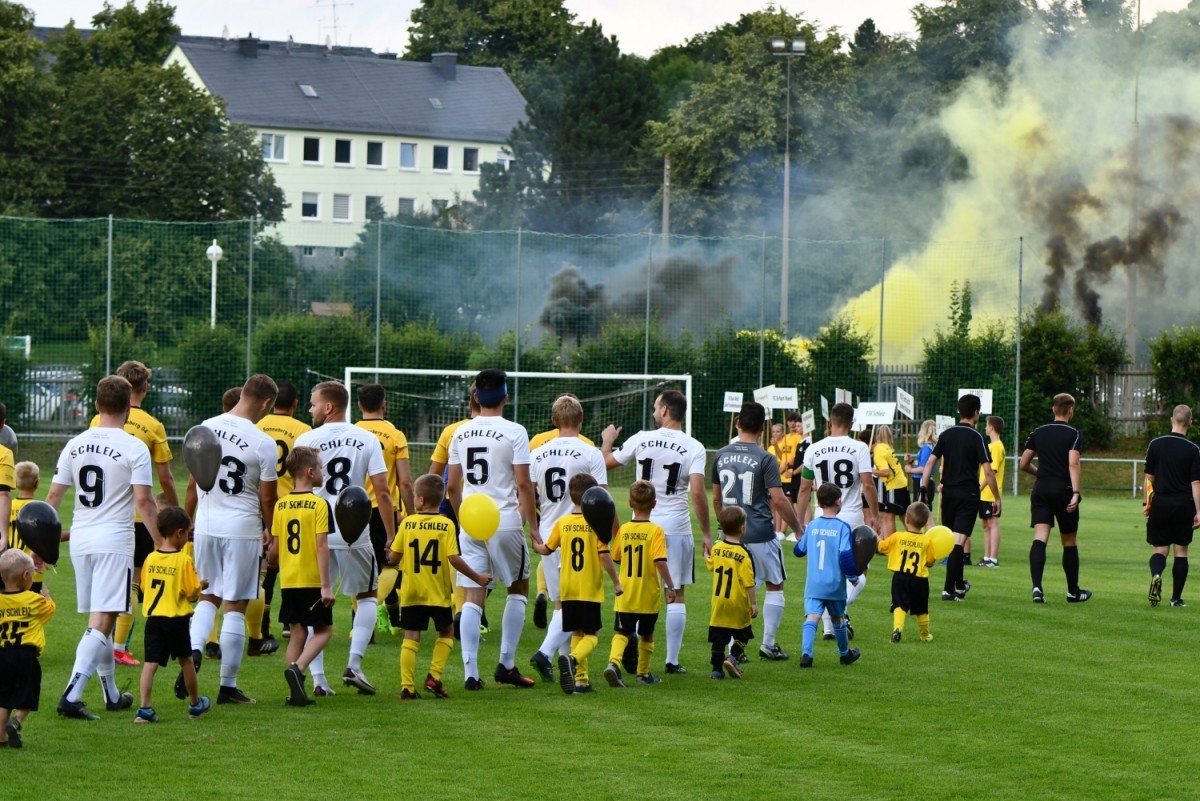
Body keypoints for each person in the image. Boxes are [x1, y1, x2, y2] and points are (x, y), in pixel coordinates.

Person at [49, 375, 158, 719]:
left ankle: (111, 694)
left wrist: (40, 544)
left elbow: (52, 497)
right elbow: (144, 501)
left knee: (102, 618)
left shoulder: (75, 443)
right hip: (114, 539)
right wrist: (160, 542)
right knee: (103, 619)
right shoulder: (133, 446)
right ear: (129, 407)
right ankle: (72, 693)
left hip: (81, 538)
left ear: (96, 405)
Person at [181, 374, 279, 705]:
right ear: (265, 403)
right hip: (242, 528)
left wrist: (188, 521)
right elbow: (267, 499)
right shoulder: (262, 442)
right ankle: (228, 686)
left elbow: (193, 483)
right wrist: (272, 531)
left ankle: (193, 652)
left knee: (208, 596)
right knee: (235, 606)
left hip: (207, 524)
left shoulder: (205, 427)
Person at [294, 381, 395, 696]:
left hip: (317, 531)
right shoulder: (366, 438)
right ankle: (354, 664)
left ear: (328, 407)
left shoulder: (307, 439)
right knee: (367, 595)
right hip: (354, 530)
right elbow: (381, 489)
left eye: (313, 404)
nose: (310, 409)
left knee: (315, 605)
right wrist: (391, 535)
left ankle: (318, 680)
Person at [601, 389, 710, 674]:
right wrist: (708, 534)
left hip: (640, 525)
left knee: (636, 584)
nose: (653, 411)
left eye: (655, 407)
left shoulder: (641, 437)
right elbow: (698, 493)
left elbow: (604, 465)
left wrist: (607, 442)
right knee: (675, 592)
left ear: (664, 411)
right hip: (675, 526)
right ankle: (671, 661)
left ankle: (628, 636)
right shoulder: (694, 446)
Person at [446, 368, 541, 690]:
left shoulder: (460, 432)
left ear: (475, 397)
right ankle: (506, 664)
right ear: (506, 397)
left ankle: (471, 672)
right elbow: (524, 483)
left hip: (472, 521)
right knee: (518, 587)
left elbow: (452, 487)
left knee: (473, 595)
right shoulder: (515, 431)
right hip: (504, 519)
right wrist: (533, 527)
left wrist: (463, 519)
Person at [88, 361, 179, 668]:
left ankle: (103, 642)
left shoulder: (95, 421)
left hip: (103, 515)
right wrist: (175, 511)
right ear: (145, 388)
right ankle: (117, 646)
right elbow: (165, 478)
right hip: (137, 518)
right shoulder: (153, 426)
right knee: (133, 583)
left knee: (107, 586)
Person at [711, 402, 802, 662]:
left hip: (730, 535)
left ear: (738, 423)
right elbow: (778, 499)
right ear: (762, 428)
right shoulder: (765, 457)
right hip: (760, 531)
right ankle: (768, 644)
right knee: (775, 585)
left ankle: (732, 649)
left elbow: (716, 499)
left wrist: (725, 526)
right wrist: (797, 527)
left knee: (734, 589)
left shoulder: (721, 454)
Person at [388, 474, 492, 700]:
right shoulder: (446, 525)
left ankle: (407, 687)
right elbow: (454, 558)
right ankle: (433, 676)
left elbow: (394, 557)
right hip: (438, 592)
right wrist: (476, 577)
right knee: (446, 632)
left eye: (415, 496)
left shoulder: (407, 523)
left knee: (411, 636)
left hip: (412, 592)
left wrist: (390, 554)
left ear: (421, 500)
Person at [527, 395, 608, 683]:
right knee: (573, 606)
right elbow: (602, 500)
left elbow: (524, 490)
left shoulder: (537, 453)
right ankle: (546, 654)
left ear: (553, 422)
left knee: (561, 604)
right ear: (582, 418)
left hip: (550, 534)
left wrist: (533, 525)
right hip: (581, 534)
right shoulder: (590, 452)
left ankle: (564, 665)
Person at [533, 473, 622, 694]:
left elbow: (546, 549)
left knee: (576, 633)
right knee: (591, 635)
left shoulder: (562, 523)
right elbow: (603, 555)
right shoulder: (595, 524)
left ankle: (581, 681)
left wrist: (535, 544)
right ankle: (572, 660)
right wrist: (616, 582)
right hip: (588, 589)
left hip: (568, 588)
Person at [798, 402, 876, 638]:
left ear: (830, 421)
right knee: (859, 572)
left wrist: (800, 523)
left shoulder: (814, 448)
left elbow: (804, 488)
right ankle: (837, 612)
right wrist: (876, 514)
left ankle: (830, 628)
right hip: (850, 518)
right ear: (852, 424)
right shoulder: (859, 447)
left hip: (822, 518)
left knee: (826, 572)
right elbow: (868, 483)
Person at [267, 446, 335, 707]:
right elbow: (321, 546)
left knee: (297, 632)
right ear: (309, 472)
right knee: (324, 630)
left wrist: (272, 564)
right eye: (319, 467)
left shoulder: (281, 505)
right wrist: (326, 585)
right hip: (311, 579)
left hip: (289, 579)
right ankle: (299, 668)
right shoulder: (319, 505)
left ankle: (294, 690)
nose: (322, 471)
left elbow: (275, 548)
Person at [134, 506, 210, 723]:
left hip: (154, 619)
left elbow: (145, 588)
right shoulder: (183, 561)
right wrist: (201, 584)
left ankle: (144, 708)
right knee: (186, 661)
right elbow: (191, 592)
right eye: (187, 533)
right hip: (176, 620)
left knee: (150, 664)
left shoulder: (150, 558)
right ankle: (195, 703)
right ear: (179, 533)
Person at [920, 394, 999, 602]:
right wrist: (997, 497)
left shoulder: (946, 435)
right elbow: (988, 472)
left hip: (948, 494)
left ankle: (959, 584)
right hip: (968, 494)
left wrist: (922, 489)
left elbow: (930, 463)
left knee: (953, 540)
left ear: (959, 411)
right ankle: (948, 589)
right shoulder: (977, 437)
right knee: (958, 542)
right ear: (976, 413)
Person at [355, 383, 416, 635]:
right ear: (384, 404)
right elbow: (404, 481)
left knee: (360, 568)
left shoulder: (352, 431)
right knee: (391, 566)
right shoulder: (395, 435)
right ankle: (368, 618)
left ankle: (362, 625)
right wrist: (411, 514)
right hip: (383, 508)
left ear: (359, 406)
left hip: (353, 508)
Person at [256, 381, 311, 651]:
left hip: (260, 501)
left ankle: (261, 623)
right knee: (293, 563)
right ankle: (292, 621)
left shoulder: (257, 426)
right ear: (296, 404)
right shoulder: (304, 430)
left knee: (266, 568)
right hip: (293, 505)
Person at [1018, 393, 1089, 604]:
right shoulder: (1074, 434)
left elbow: (1023, 464)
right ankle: (1072, 592)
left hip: (1041, 490)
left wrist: (1039, 473)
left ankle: (1037, 588)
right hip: (1064, 490)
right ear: (1071, 410)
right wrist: (1075, 492)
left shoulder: (1038, 432)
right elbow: (1073, 464)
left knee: (1040, 537)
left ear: (1053, 409)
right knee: (1069, 541)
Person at [602, 480, 672, 687]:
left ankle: (614, 663)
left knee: (622, 632)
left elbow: (616, 557)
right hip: (648, 592)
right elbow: (659, 561)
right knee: (647, 633)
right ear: (654, 504)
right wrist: (671, 585)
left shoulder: (623, 530)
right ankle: (643, 673)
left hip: (626, 592)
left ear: (630, 503)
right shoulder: (656, 531)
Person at [794, 483, 861, 668]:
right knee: (838, 618)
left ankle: (806, 654)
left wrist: (802, 538)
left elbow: (799, 550)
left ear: (819, 501)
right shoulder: (843, 527)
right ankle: (844, 654)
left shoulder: (813, 525)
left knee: (812, 617)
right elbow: (846, 555)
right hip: (834, 583)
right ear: (839, 501)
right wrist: (853, 577)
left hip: (814, 583)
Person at [1143, 405, 1200, 608]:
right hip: (1184, 504)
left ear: (1171, 420)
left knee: (1160, 548)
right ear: (1190, 423)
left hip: (1161, 502)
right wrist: (1199, 511)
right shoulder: (1194, 449)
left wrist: (1147, 503)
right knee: (1181, 551)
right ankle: (1176, 598)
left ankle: (1157, 575)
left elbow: (1149, 478)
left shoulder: (1155, 444)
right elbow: (1196, 483)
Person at [0, 549, 55, 748]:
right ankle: (17, 721)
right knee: (27, 694)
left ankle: (1, 738)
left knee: (3, 697)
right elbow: (49, 609)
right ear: (25, 576)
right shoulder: (34, 600)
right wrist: (46, 595)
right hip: (25, 655)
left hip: (2, 654)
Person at [705, 506, 757, 681]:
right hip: (737, 602)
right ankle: (733, 658)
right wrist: (754, 603)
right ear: (742, 528)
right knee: (743, 634)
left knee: (718, 638)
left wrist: (706, 554)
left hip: (719, 602)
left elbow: (710, 564)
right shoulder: (743, 554)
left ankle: (716, 671)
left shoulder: (717, 548)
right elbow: (749, 582)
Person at [877, 501, 936, 643]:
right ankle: (924, 634)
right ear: (924, 523)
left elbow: (881, 547)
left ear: (906, 520)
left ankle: (897, 628)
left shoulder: (897, 537)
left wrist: (876, 536)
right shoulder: (927, 540)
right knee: (921, 608)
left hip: (900, 578)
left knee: (899, 604)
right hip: (920, 580)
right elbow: (930, 561)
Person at [7, 462, 45, 591]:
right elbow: (50, 535)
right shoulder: (40, 509)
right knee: (31, 609)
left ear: (15, 483)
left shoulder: (7, 507)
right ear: (37, 483)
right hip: (32, 571)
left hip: (8, 570)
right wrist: (72, 533)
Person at [872, 425, 910, 538]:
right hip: (902, 482)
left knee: (888, 517)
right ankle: (918, 542)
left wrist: (869, 470)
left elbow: (885, 472)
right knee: (904, 516)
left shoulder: (879, 449)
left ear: (877, 436)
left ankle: (890, 546)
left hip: (894, 485)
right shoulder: (888, 448)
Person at [978, 416, 1006, 567]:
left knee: (992, 523)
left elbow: (992, 471)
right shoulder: (989, 445)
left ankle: (993, 558)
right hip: (983, 493)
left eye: (987, 425)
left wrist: (980, 487)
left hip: (989, 492)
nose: (985, 427)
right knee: (985, 525)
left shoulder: (996, 446)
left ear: (992, 427)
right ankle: (987, 557)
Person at [906, 420, 938, 506]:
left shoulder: (926, 449)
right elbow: (921, 463)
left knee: (919, 512)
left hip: (922, 481)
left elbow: (924, 469)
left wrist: (910, 470)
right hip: (924, 481)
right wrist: (912, 461)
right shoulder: (929, 447)